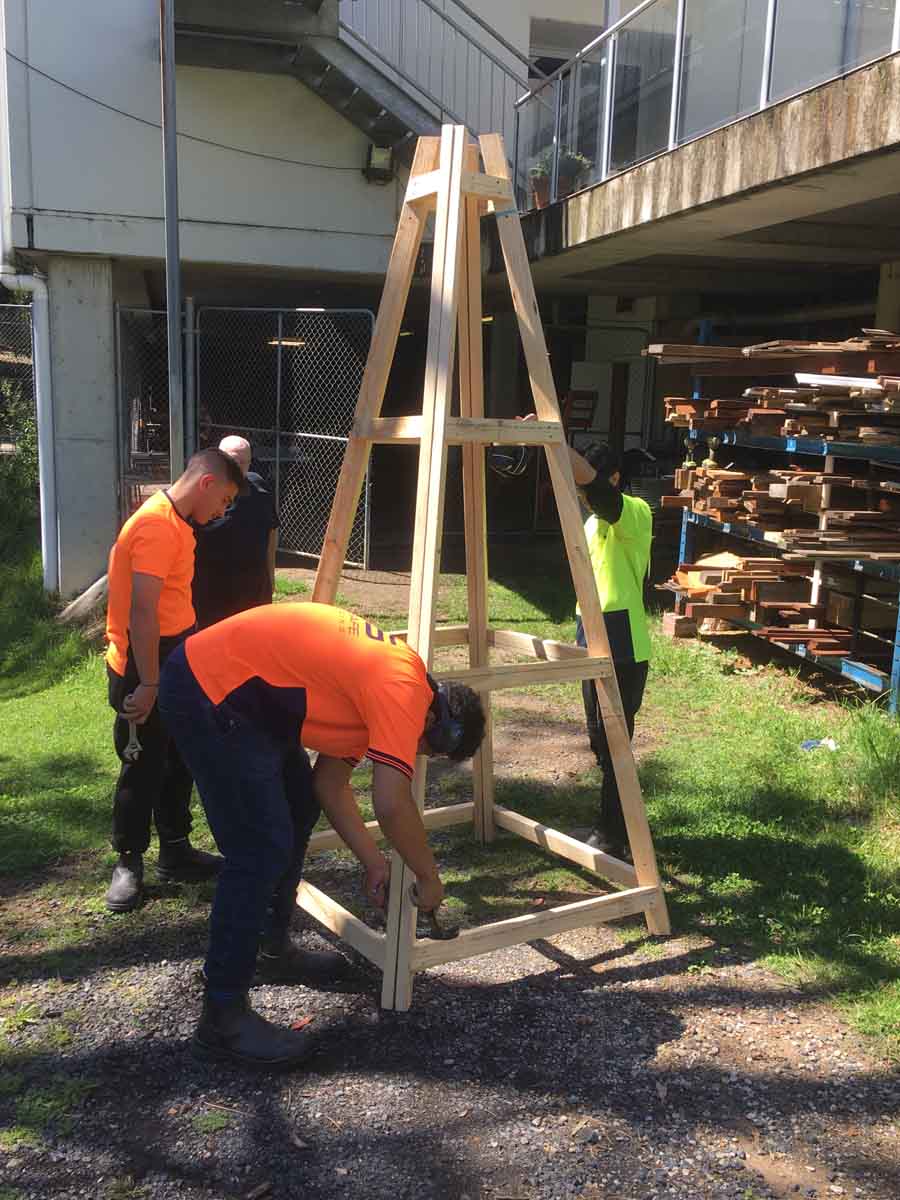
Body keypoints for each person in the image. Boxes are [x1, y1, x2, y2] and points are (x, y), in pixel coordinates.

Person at [158, 602, 486, 1069]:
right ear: (438, 724)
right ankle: (222, 1016)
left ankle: (270, 947)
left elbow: (329, 785)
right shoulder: (404, 692)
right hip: (209, 686)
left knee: (298, 806)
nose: (416, 756)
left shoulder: (389, 690)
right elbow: (392, 804)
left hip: (246, 697)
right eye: (426, 751)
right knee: (259, 848)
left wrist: (374, 862)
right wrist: (429, 877)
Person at [104, 448, 244, 913]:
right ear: (206, 483)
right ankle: (128, 860)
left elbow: (170, 601)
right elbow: (142, 613)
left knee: (180, 757)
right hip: (144, 661)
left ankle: (176, 850)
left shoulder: (179, 523)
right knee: (142, 761)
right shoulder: (156, 525)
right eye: (224, 500)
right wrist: (148, 683)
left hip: (176, 653)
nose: (222, 511)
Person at [569, 442, 654, 858]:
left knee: (615, 738)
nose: (584, 498)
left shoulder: (636, 512)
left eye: (586, 489)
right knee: (598, 739)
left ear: (615, 478)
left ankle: (615, 834)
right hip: (592, 633)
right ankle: (613, 824)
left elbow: (602, 496)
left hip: (623, 642)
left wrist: (556, 444)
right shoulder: (589, 526)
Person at [192, 435, 279, 630]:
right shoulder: (204, 494)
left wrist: (270, 574)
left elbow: (272, 529)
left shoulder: (260, 489)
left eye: (243, 462)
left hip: (254, 591)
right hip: (213, 594)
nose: (237, 467)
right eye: (232, 461)